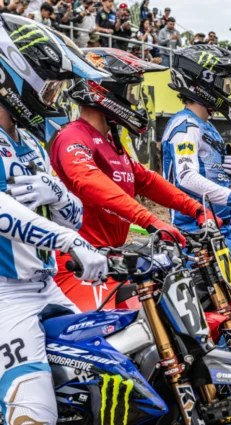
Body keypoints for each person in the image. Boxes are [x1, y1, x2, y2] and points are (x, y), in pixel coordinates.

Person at [0, 14, 108, 425]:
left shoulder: (29, 140)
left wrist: (60, 195)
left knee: (100, 382)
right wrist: (69, 242)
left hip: (45, 286)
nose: (53, 97)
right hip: (6, 296)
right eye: (48, 86)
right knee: (35, 413)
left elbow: (73, 219)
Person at [50, 48, 219, 311]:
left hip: (110, 258)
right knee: (117, 330)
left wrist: (196, 209)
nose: (134, 102)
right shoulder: (73, 136)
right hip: (77, 263)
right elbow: (87, 179)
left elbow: (147, 181)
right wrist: (150, 220)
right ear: (105, 90)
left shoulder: (110, 142)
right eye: (130, 92)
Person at [163, 45, 231, 258]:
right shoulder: (185, 126)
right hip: (197, 233)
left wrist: (228, 174)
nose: (229, 91)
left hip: (223, 227)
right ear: (205, 84)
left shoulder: (206, 125)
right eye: (226, 84)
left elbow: (209, 175)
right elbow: (186, 177)